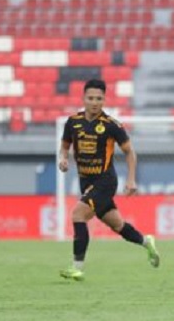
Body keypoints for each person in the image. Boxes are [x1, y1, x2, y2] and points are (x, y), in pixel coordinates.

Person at [58, 78, 160, 280]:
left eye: (99, 98)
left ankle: (77, 268)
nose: (94, 102)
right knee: (117, 225)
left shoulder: (111, 125)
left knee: (78, 215)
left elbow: (130, 152)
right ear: (83, 98)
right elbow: (64, 146)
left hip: (105, 182)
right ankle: (146, 241)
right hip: (85, 181)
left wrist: (131, 180)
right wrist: (63, 159)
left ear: (104, 100)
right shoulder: (73, 122)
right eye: (90, 98)